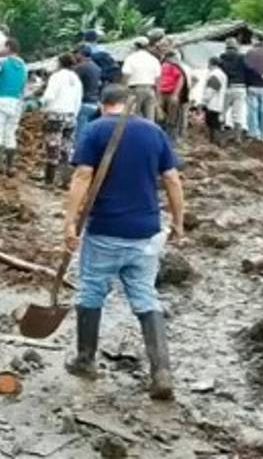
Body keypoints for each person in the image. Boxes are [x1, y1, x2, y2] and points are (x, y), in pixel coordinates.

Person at [63, 84, 184, 400]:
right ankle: (161, 371)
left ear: (104, 105)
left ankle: (86, 360)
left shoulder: (95, 130)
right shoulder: (154, 132)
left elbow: (81, 177)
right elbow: (171, 178)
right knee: (146, 296)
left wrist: (69, 223)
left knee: (91, 291)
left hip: (105, 229)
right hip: (146, 232)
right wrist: (179, 220)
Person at [0, 38, 28, 176]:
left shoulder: (2, 62)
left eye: (4, 47)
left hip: (0, 99)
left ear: (8, 47)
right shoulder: (23, 65)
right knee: (10, 133)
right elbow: (23, 86)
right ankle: (10, 167)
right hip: (16, 102)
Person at [40, 53, 83, 187]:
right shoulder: (76, 79)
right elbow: (78, 99)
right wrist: (73, 114)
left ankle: (49, 181)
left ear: (59, 63)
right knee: (66, 149)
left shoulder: (57, 77)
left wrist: (42, 105)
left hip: (56, 115)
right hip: (70, 115)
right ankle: (65, 181)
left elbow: (49, 96)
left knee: (52, 147)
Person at [121, 37, 161, 120]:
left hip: (135, 89)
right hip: (150, 89)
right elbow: (158, 79)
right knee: (150, 118)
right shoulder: (153, 59)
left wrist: (123, 90)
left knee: (134, 117)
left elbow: (126, 75)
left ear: (136, 46)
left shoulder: (130, 58)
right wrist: (157, 95)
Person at [72, 46, 103, 144]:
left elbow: (72, 83)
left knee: (79, 134)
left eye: (76, 54)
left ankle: (79, 154)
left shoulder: (81, 67)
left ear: (81, 54)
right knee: (88, 131)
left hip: (84, 103)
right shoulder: (97, 67)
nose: (75, 56)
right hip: (94, 103)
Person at [157, 50, 188, 139]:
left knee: (171, 117)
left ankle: (170, 137)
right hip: (164, 93)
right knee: (164, 116)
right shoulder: (163, 65)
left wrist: (175, 94)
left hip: (170, 93)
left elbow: (180, 79)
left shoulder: (174, 66)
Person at [202, 57, 227, 144]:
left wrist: (204, 101)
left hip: (212, 103)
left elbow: (211, 90)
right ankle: (215, 141)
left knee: (212, 124)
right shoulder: (222, 74)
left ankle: (214, 142)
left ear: (211, 63)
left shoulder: (215, 75)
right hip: (218, 103)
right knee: (215, 124)